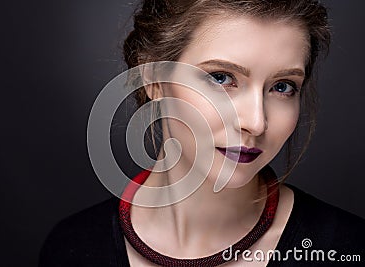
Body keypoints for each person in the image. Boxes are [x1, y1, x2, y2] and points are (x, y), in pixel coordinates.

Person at [39, 0, 365, 266]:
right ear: (152, 77)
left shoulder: (346, 249)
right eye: (222, 78)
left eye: (282, 87)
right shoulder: (72, 247)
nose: (256, 122)